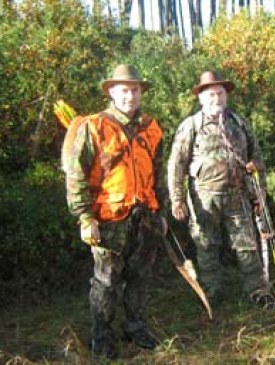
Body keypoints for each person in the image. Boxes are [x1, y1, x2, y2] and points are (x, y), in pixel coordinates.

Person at [63, 64, 166, 359]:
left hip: (145, 216)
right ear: (111, 92)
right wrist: (85, 218)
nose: (130, 96)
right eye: (124, 90)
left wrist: (161, 214)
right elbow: (76, 174)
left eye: (134, 90)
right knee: (106, 282)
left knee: (140, 276)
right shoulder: (93, 126)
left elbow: (157, 174)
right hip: (108, 220)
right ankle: (102, 336)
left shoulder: (152, 127)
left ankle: (135, 328)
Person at [167, 70, 274, 310]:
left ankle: (258, 291)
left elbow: (257, 159)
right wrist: (177, 200)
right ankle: (212, 294)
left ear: (226, 96)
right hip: (203, 199)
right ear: (201, 98)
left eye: (220, 93)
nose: (217, 98)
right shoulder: (190, 126)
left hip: (238, 196)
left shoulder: (239, 123)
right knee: (206, 245)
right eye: (211, 94)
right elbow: (176, 164)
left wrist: (260, 193)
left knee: (247, 245)